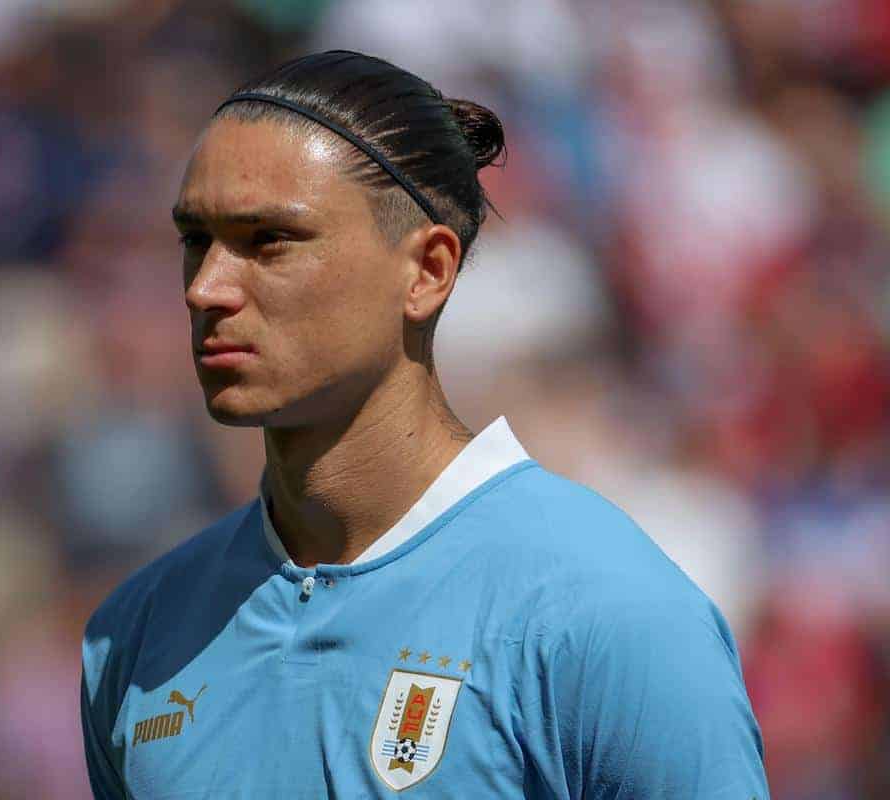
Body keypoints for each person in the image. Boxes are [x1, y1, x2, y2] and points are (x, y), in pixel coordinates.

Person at [80, 49, 770, 798]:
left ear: (427, 271)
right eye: (195, 241)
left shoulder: (605, 612)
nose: (207, 288)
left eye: (268, 241)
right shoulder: (138, 633)